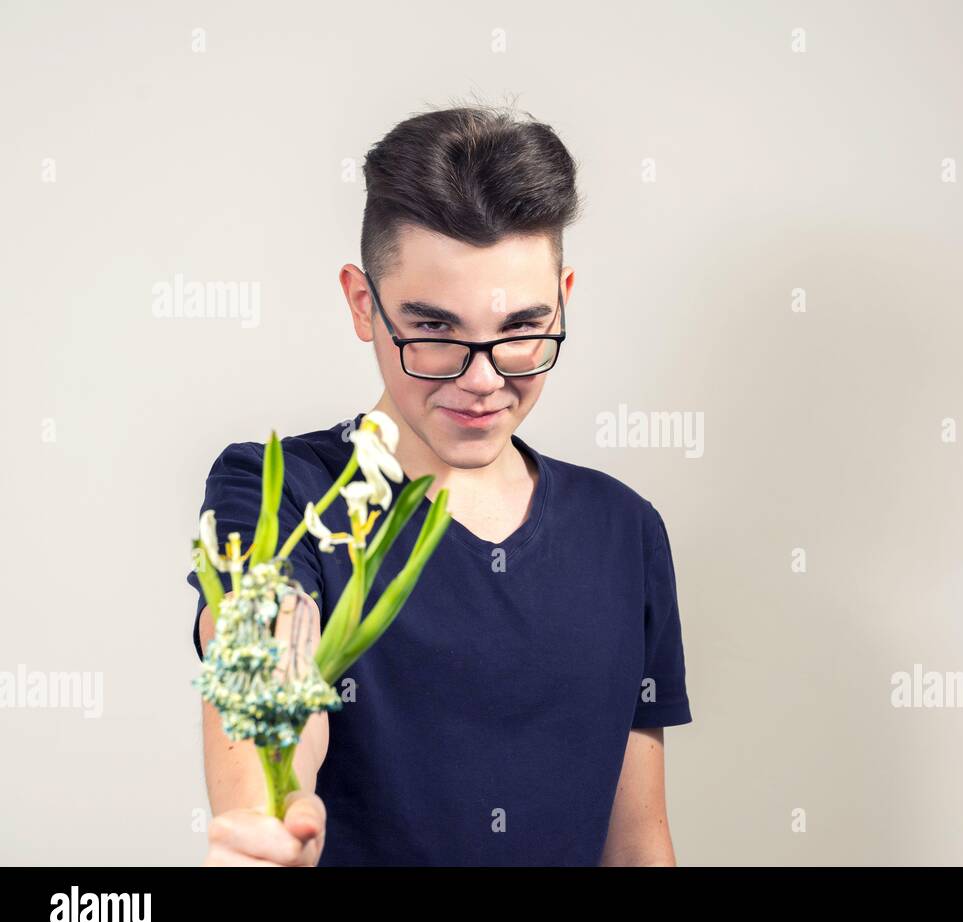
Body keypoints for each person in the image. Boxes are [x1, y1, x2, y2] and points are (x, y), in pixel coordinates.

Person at [187, 104, 692, 866]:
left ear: (564, 301)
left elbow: (638, 841)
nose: (483, 380)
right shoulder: (277, 491)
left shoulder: (624, 529)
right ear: (365, 305)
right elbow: (267, 656)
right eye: (434, 332)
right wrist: (271, 807)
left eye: (523, 330)